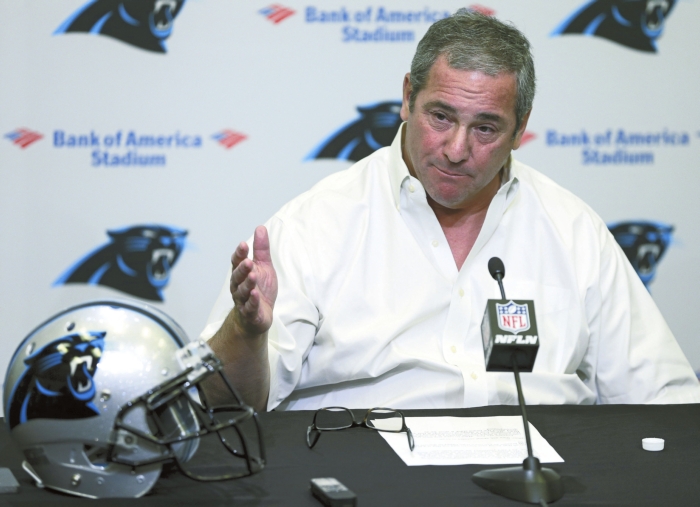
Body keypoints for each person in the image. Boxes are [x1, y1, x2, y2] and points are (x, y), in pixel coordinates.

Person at [200, 10, 700, 412]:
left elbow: (666, 401)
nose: (457, 150)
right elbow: (224, 404)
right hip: (365, 472)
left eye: (485, 128)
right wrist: (245, 334)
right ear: (407, 98)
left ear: (521, 128)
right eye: (440, 117)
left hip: (540, 473)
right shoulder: (316, 224)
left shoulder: (573, 230)